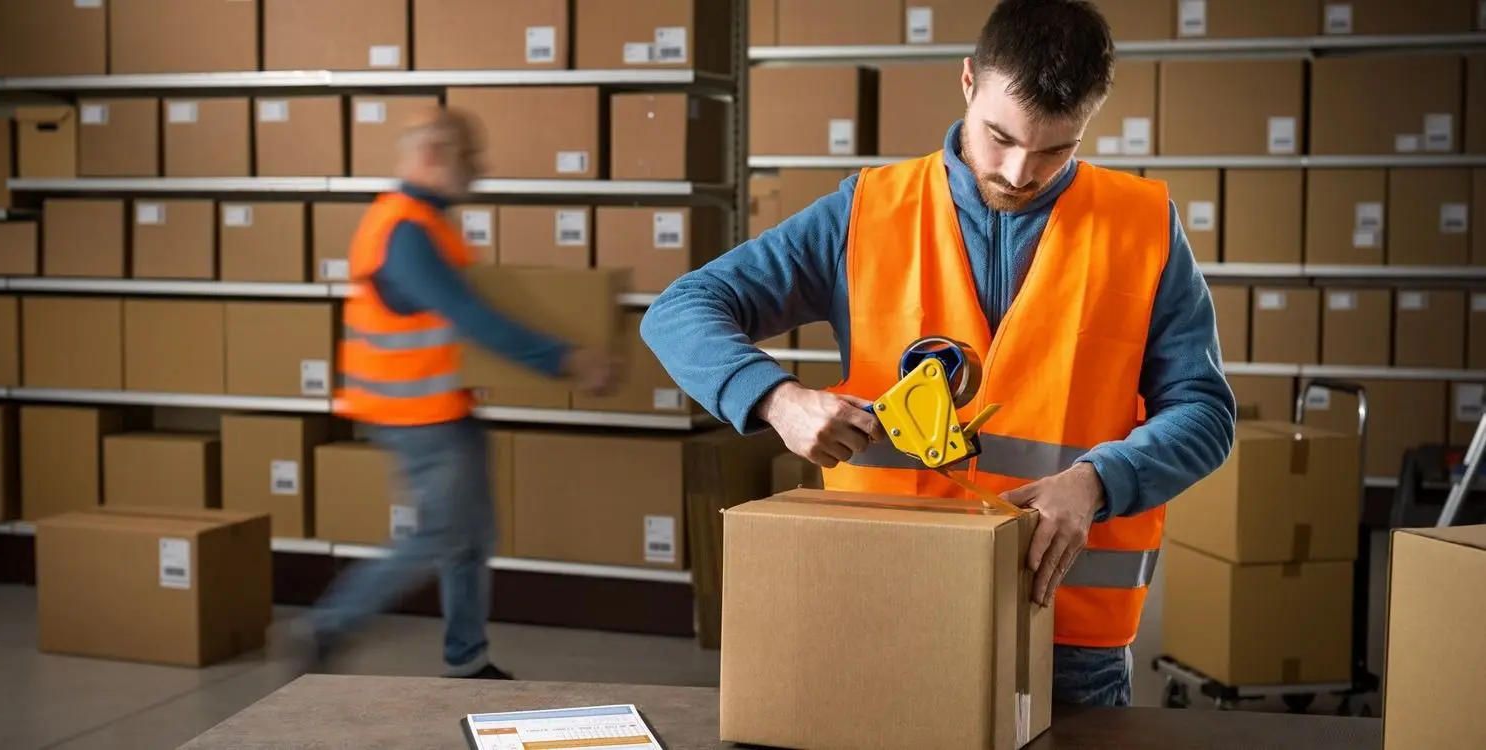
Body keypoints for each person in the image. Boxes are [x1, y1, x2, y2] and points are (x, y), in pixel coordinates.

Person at [640, 0, 1234, 708]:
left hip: (1065, 632)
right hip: (886, 603)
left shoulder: (1142, 228)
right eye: (999, 137)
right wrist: (775, 397)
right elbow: (681, 311)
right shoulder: (864, 213)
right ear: (966, 83)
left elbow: (1203, 411)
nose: (1020, 172)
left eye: (1056, 150)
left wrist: (1098, 481)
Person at [292, 107, 620, 680]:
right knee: (444, 532)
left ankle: (465, 658)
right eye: (471, 156)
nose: (481, 168)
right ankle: (331, 623)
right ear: (435, 155)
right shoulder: (405, 231)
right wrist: (567, 360)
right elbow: (473, 316)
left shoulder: (425, 222)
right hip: (413, 411)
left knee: (470, 535)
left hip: (441, 404)